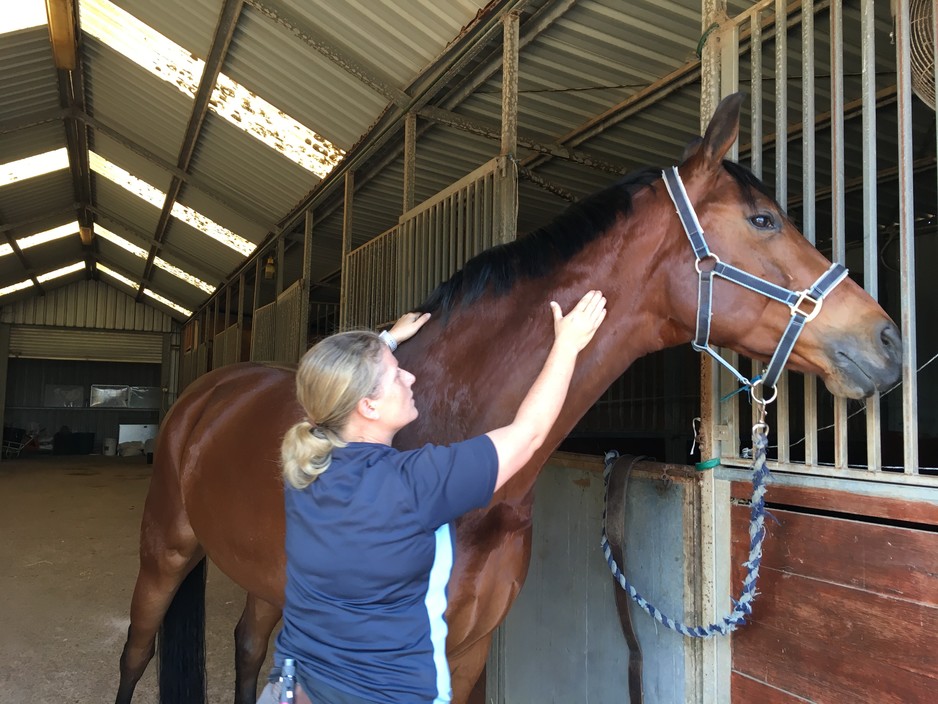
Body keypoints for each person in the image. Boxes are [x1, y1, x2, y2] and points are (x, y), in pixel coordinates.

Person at [257, 290, 607, 704]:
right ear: (367, 406)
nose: (410, 377)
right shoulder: (412, 483)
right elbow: (527, 435)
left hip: (293, 688)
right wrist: (567, 346)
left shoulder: (306, 467)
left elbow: (325, 398)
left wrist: (386, 342)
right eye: (395, 375)